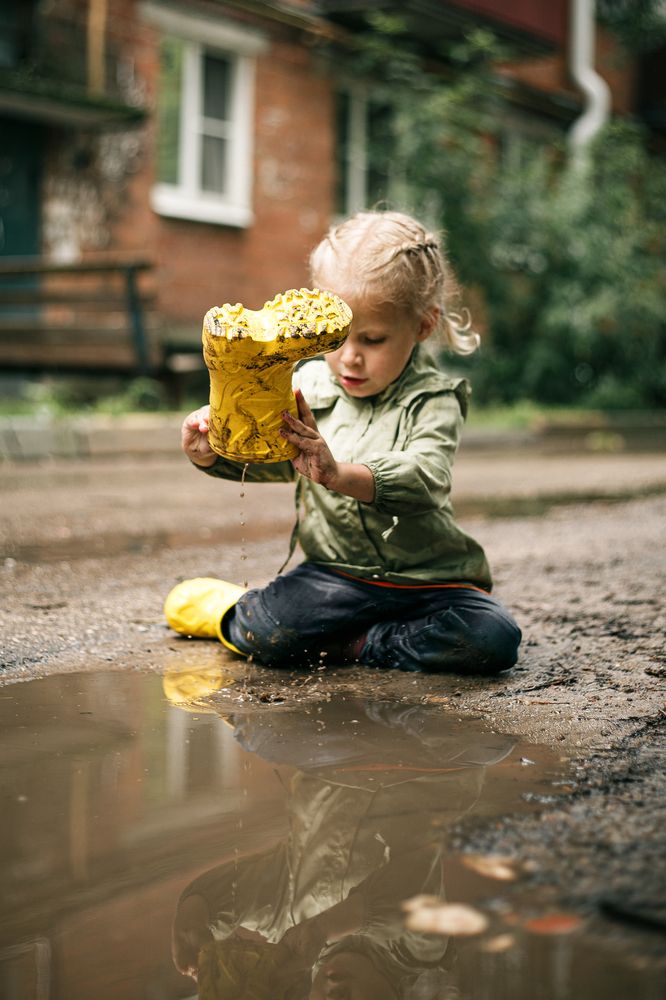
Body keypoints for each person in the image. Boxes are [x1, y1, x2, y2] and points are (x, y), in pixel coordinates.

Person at [164, 210, 522, 674]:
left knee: (492, 640)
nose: (350, 357)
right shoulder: (308, 384)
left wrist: (338, 474)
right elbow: (278, 457)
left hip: (428, 582)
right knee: (264, 632)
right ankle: (233, 610)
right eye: (335, 340)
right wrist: (213, 454)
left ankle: (358, 645)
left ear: (423, 325)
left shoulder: (434, 399)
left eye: (372, 339)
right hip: (334, 575)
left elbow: (426, 479)